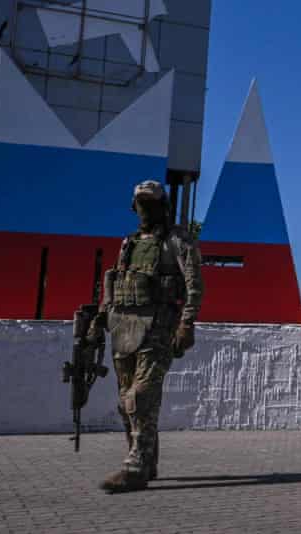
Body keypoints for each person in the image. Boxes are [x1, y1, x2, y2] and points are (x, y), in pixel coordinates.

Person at [91, 180, 204, 492]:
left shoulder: (176, 239)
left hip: (158, 329)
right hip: (123, 327)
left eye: (151, 204)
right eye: (141, 203)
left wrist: (187, 323)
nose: (145, 209)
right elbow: (114, 281)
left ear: (162, 206)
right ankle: (147, 460)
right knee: (125, 402)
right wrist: (101, 315)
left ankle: (135, 467)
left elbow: (194, 284)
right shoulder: (128, 243)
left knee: (141, 397)